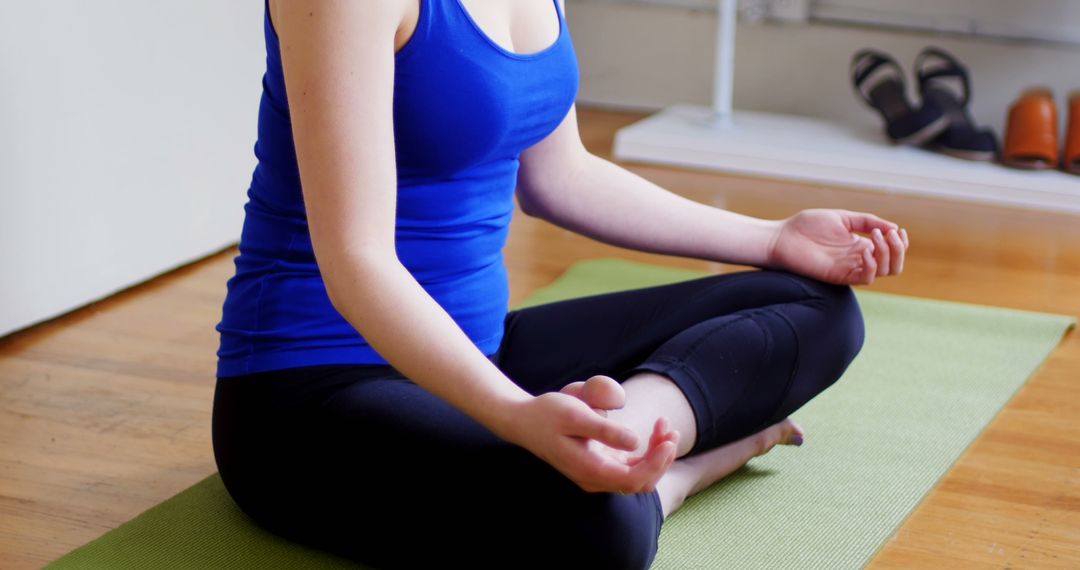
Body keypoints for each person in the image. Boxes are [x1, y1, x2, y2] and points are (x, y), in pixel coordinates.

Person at [211, 0, 909, 568]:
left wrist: (772, 237)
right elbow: (357, 265)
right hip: (308, 392)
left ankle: (627, 439)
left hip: (482, 349)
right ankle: (686, 468)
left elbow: (559, 178)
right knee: (597, 528)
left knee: (816, 306)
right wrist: (516, 416)